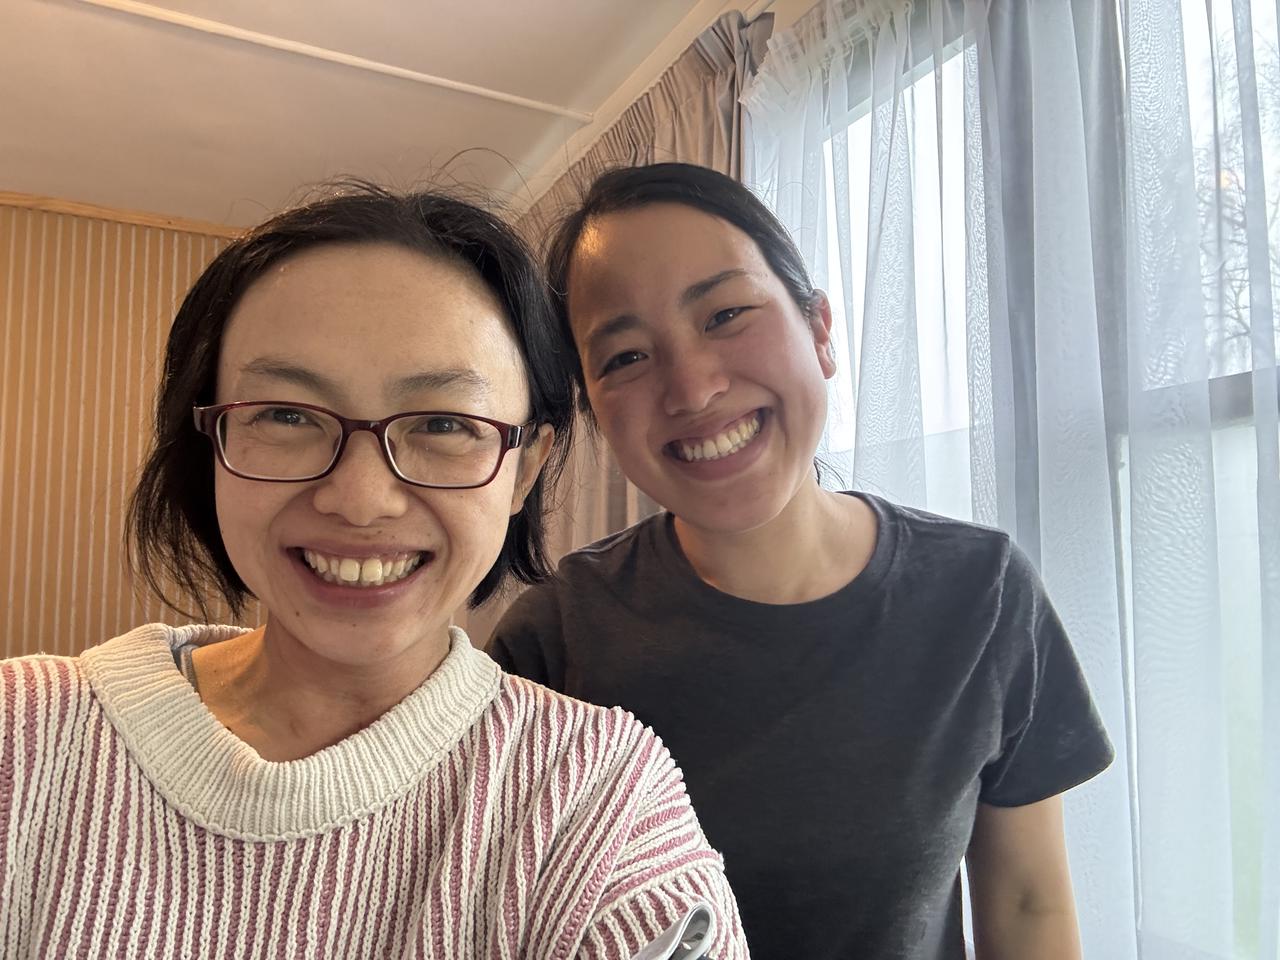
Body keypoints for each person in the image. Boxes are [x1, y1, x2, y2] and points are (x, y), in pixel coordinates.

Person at [0, 184, 749, 960]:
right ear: (210, 441)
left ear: (524, 470)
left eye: (443, 424)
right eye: (285, 414)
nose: (359, 500)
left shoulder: (598, 799)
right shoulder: (22, 735)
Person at [488, 163, 1115, 960]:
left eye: (725, 314)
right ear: (595, 413)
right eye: (626, 357)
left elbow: (1028, 904)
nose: (693, 388)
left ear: (820, 329)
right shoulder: (553, 643)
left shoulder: (981, 594)